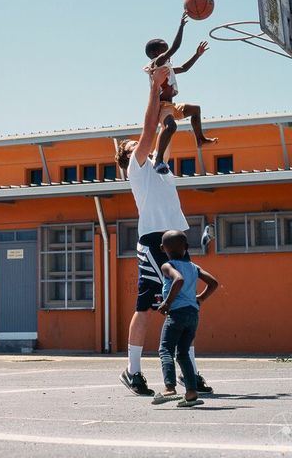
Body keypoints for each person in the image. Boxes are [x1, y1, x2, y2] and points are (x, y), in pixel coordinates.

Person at [116, 66, 213, 396]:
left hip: (175, 237)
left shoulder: (159, 166)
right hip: (154, 240)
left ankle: (190, 373)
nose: (138, 142)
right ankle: (133, 371)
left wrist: (166, 95)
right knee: (145, 307)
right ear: (128, 155)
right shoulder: (136, 164)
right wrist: (153, 88)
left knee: (186, 304)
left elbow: (162, 126)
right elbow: (148, 129)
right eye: (132, 144)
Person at [144, 12, 217, 174]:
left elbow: (184, 68)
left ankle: (200, 139)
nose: (168, 50)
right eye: (164, 48)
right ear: (157, 53)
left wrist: (197, 55)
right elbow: (175, 47)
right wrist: (181, 26)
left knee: (195, 109)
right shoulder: (157, 63)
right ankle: (158, 160)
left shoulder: (167, 67)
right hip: (161, 107)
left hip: (171, 105)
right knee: (171, 126)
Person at [152, 230, 218, 407]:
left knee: (165, 349)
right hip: (193, 314)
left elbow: (178, 280)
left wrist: (167, 303)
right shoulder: (193, 266)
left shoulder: (167, 266)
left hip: (177, 313)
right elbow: (213, 283)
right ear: (186, 248)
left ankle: (169, 388)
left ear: (161, 248)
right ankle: (191, 392)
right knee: (183, 353)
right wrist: (201, 298)